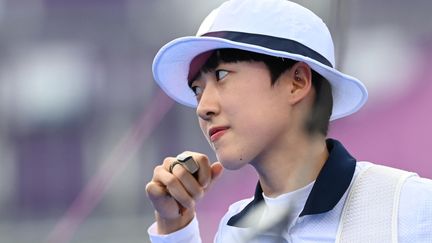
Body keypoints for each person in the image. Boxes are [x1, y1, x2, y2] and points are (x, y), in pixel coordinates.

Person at [145, 0, 432, 242]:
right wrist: (174, 226)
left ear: (297, 81)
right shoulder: (233, 228)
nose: (202, 108)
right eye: (197, 90)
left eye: (221, 75)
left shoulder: (412, 205)